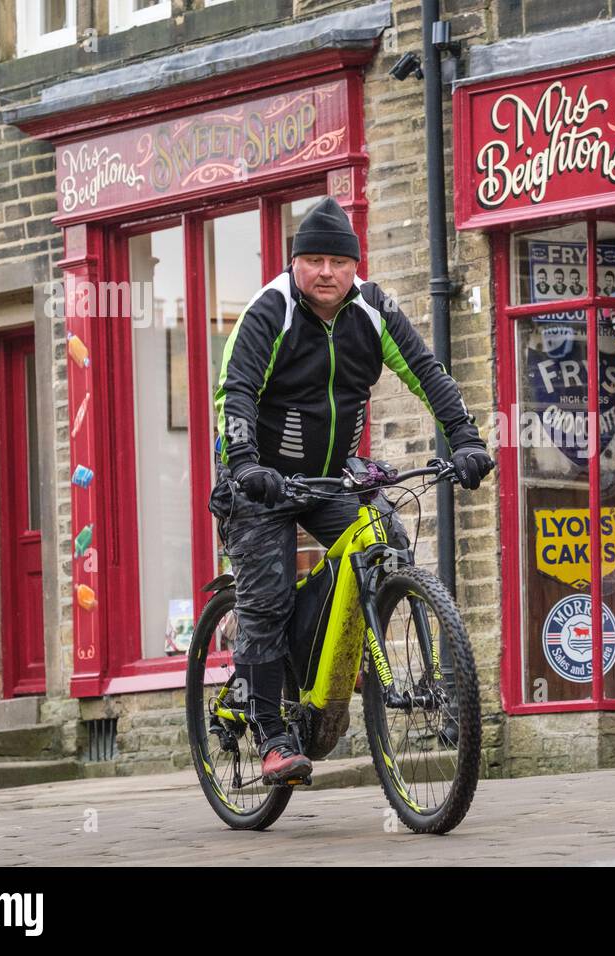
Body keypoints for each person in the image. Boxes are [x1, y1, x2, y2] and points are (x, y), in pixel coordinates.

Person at [209, 197, 494, 785]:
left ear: (353, 266)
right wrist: (244, 463)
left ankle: (369, 658)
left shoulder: (374, 309)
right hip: (259, 479)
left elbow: (426, 371)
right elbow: (234, 391)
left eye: (338, 261)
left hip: (329, 475)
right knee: (267, 595)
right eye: (312, 259)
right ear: (295, 263)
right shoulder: (271, 311)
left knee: (386, 537)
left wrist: (465, 439)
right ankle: (271, 736)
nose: (326, 272)